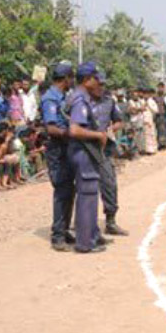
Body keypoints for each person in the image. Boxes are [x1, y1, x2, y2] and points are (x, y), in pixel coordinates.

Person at [67, 62, 109, 253]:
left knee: (89, 196)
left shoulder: (77, 97)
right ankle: (85, 243)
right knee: (88, 197)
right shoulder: (80, 100)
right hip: (83, 152)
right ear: (86, 80)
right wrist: (98, 136)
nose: (97, 82)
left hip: (82, 152)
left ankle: (90, 236)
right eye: (94, 78)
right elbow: (75, 130)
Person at [41, 62, 76, 252]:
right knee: (62, 191)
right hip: (57, 149)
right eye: (71, 78)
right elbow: (52, 128)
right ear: (65, 79)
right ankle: (57, 236)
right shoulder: (50, 99)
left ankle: (64, 229)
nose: (72, 82)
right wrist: (72, 133)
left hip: (66, 148)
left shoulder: (63, 97)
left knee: (70, 190)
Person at [92, 76, 129, 236]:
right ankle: (83, 224)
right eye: (98, 84)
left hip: (103, 150)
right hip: (85, 148)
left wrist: (111, 129)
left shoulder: (109, 101)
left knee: (109, 184)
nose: (101, 87)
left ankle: (110, 221)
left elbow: (120, 121)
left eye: (103, 85)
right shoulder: (82, 101)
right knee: (84, 188)